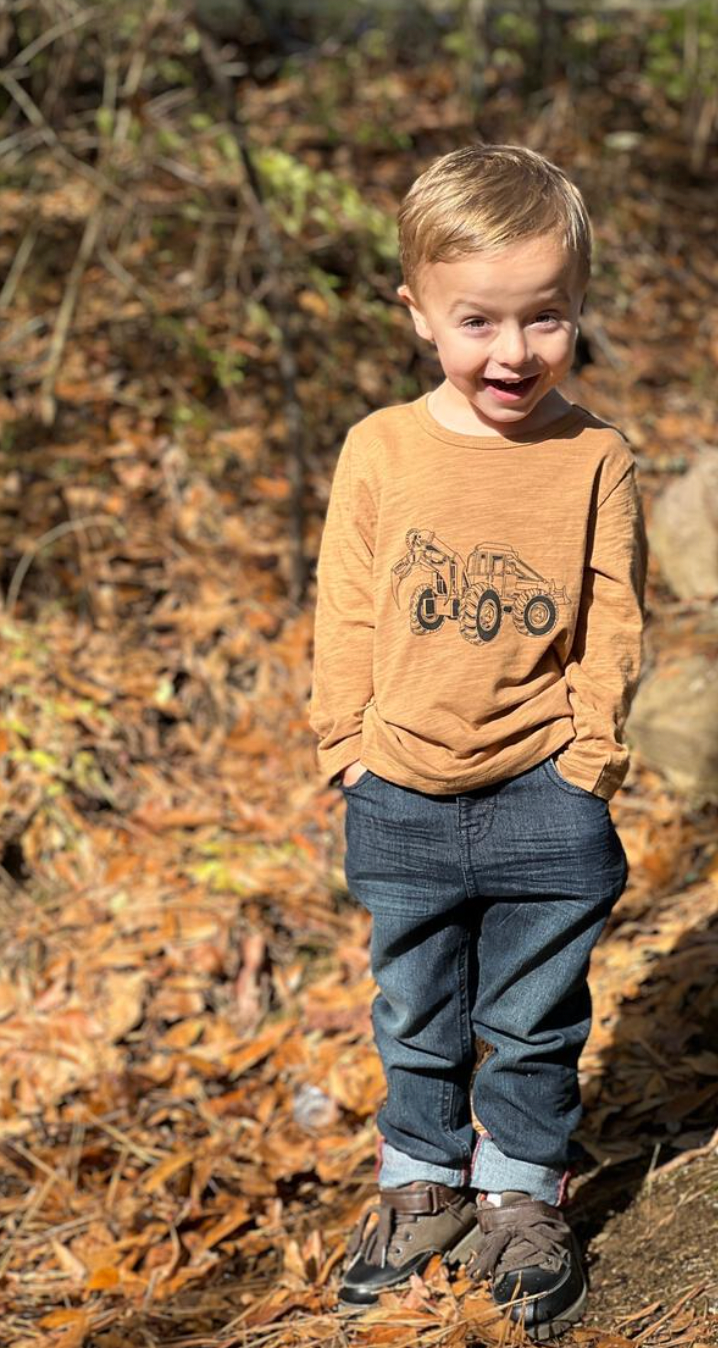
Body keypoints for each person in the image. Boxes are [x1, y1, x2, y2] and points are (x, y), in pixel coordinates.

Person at [308, 143, 648, 1341]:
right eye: (480, 321)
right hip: (397, 782)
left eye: (545, 317)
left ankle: (519, 1193)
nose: (514, 351)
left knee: (535, 1009)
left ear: (576, 309)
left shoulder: (595, 456)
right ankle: (421, 1179)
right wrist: (345, 741)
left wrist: (588, 758)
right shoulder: (382, 450)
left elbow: (615, 611)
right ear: (417, 315)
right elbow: (346, 601)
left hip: (544, 788)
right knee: (412, 1003)